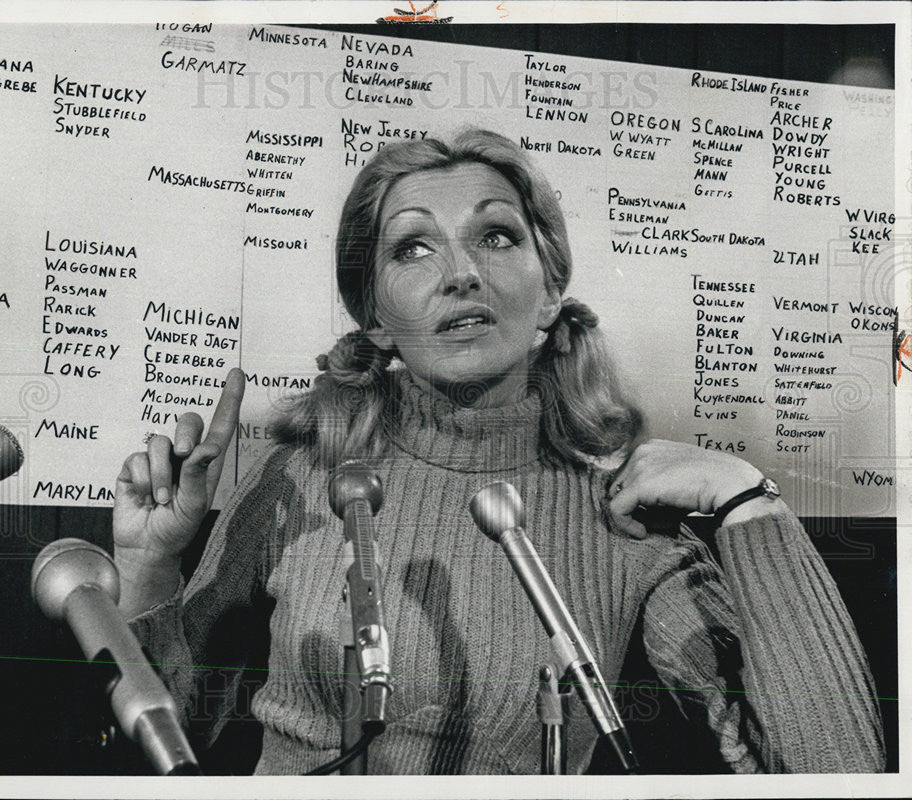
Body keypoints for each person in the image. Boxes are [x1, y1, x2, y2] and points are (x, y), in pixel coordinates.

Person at [112, 129, 885, 774]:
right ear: (375, 316)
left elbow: (836, 773)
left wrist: (751, 501)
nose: (461, 274)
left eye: (495, 235)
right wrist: (148, 571)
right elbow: (167, 743)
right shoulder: (301, 471)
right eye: (413, 249)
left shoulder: (619, 515)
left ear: (548, 294)